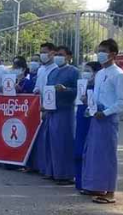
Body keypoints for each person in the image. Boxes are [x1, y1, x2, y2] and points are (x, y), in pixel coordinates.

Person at [81, 39, 123, 204]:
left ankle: (110, 192)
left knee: (108, 155)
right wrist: (88, 103)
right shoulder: (99, 73)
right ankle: (97, 186)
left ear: (113, 54)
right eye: (99, 50)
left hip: (108, 119)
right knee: (94, 154)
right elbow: (97, 96)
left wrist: (105, 112)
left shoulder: (118, 75)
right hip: (95, 117)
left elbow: (121, 101)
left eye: (103, 50)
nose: (100, 54)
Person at [42, 45, 79, 185]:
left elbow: (78, 90)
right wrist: (45, 106)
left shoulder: (74, 72)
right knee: (50, 142)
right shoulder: (52, 72)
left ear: (69, 57)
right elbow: (47, 90)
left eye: (61, 54)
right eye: (56, 54)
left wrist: (66, 89)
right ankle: (52, 171)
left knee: (63, 143)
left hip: (65, 111)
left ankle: (65, 174)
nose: (58, 56)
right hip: (51, 111)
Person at [27, 42, 59, 174]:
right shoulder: (41, 69)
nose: (43, 55)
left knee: (47, 137)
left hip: (49, 106)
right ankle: (36, 165)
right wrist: (35, 90)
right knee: (37, 136)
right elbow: (38, 85)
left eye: (45, 52)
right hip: (37, 105)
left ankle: (47, 167)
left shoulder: (56, 69)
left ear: (52, 53)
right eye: (41, 52)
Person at [74, 61, 101, 191]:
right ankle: (79, 182)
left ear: (96, 73)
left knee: (90, 151)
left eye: (88, 70)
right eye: (84, 70)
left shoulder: (99, 89)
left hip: (93, 120)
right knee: (79, 150)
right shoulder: (82, 86)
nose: (85, 73)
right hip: (81, 120)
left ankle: (91, 184)